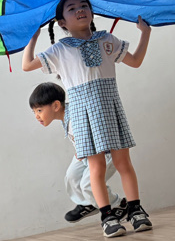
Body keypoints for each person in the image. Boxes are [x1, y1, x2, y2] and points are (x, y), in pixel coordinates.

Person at [22, 0, 153, 238]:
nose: (80, 10)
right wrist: (33, 37)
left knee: (123, 163)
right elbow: (27, 65)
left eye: (84, 6)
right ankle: (108, 216)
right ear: (62, 22)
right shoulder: (60, 50)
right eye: (72, 8)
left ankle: (136, 210)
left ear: (91, 12)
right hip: (82, 114)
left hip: (110, 107)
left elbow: (135, 61)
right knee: (96, 168)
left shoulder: (107, 39)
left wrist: (145, 33)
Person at [29, 82, 126, 223]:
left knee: (88, 184)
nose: (36, 116)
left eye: (39, 110)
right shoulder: (64, 116)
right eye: (34, 112)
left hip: (103, 153)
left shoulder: (76, 116)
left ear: (56, 106)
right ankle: (88, 203)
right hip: (85, 153)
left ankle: (118, 205)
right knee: (71, 176)